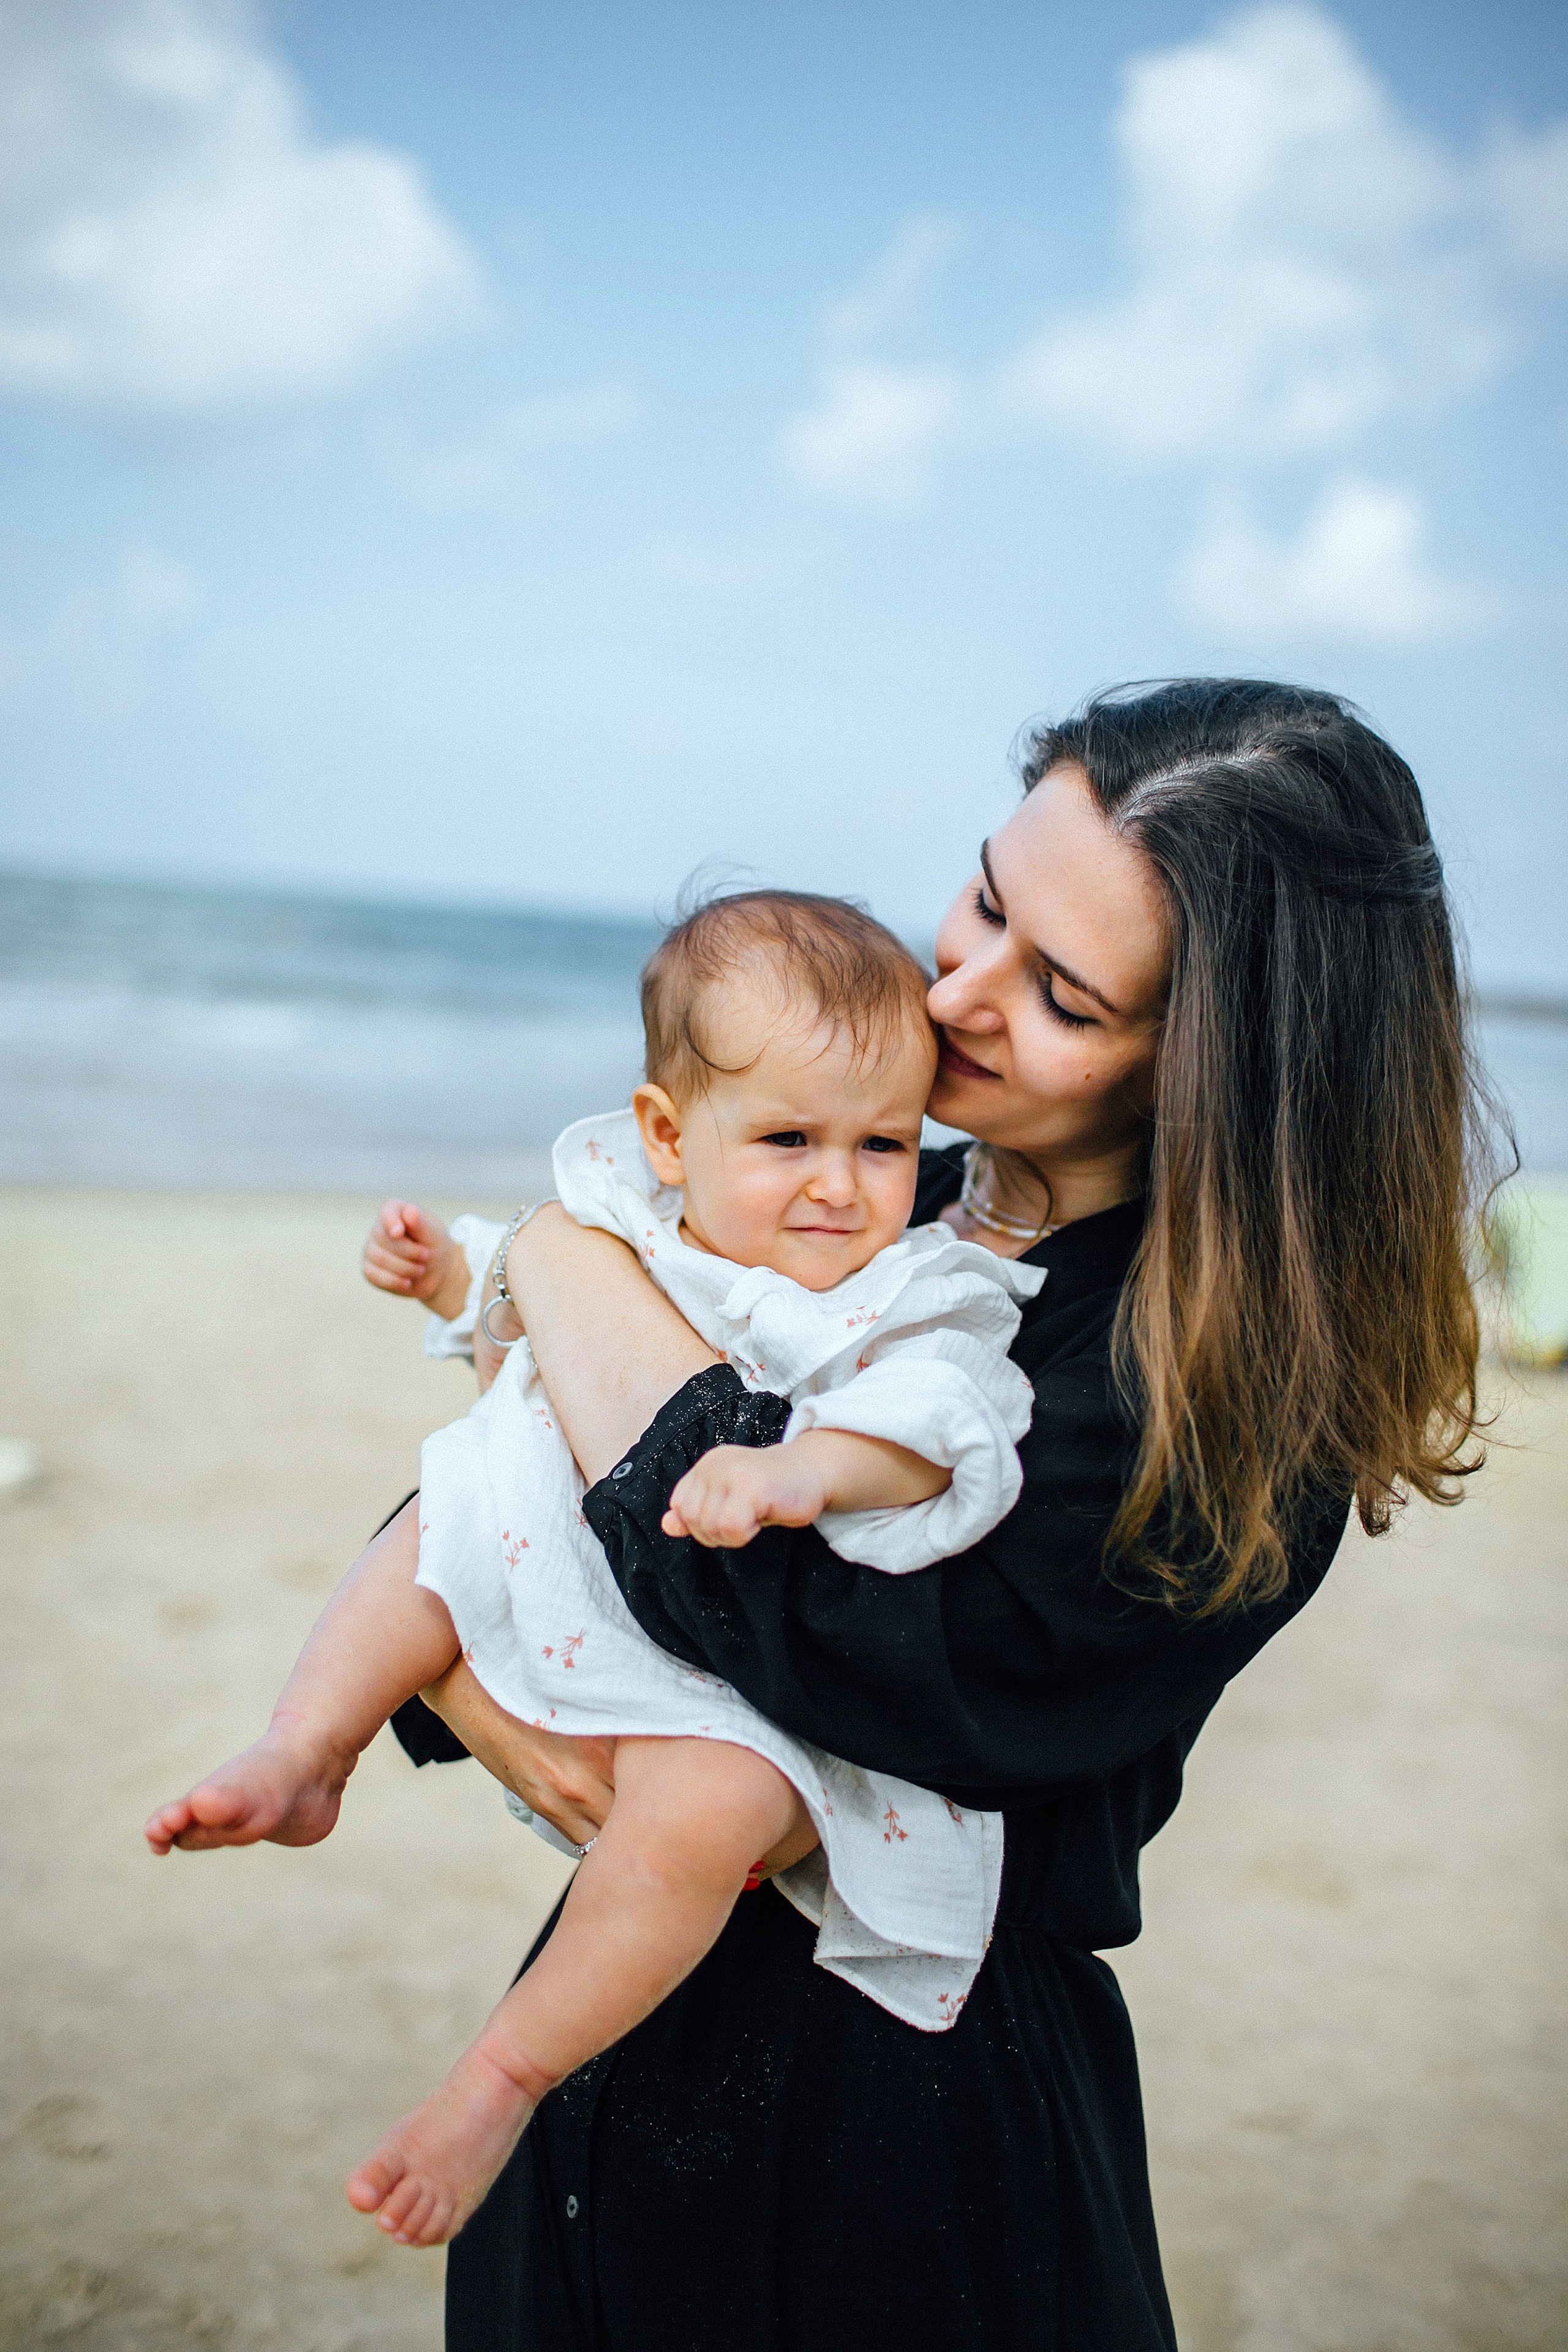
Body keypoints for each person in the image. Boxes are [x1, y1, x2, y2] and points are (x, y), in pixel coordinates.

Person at [383, 679, 1492, 2352]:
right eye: (983, 897)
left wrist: (559, 1253)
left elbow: (818, 1633)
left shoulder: (1223, 1406)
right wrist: (457, 1680)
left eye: (1061, 992)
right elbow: (512, 1475)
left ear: (1213, 1071)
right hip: (619, 2029)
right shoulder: (896, 1195)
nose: (954, 988)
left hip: (904, 2121)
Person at [145, 894, 1047, 2249]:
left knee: (707, 1811)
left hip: (723, 1678)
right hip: (564, 1567)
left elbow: (938, 1432)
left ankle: (500, 2073)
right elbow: (527, 1336)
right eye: (790, 1139)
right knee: (437, 1526)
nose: (839, 1184)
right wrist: (457, 1281)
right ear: (670, 1136)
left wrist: (808, 1472)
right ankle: (302, 1749)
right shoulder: (628, 1218)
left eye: (881, 1144)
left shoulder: (905, 1291)